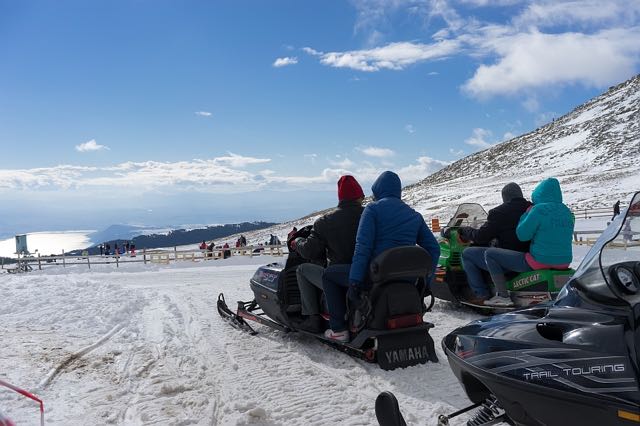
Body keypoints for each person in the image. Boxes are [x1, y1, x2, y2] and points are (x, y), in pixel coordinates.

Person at [322, 171, 440, 342]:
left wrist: (354, 282)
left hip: (376, 276)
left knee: (329, 275)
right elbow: (434, 249)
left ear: (378, 190)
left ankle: (339, 329)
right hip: (407, 279)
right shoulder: (413, 214)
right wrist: (426, 283)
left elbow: (363, 248)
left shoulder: (373, 209)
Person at [483, 177, 574, 307]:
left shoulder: (538, 210)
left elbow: (522, 235)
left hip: (539, 261)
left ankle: (502, 296)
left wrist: (526, 215)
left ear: (539, 194)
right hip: (565, 262)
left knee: (490, 254)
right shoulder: (566, 211)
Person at [291, 175, 365, 333]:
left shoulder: (325, 221)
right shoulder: (369, 216)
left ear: (340, 197)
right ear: (360, 196)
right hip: (367, 272)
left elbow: (309, 250)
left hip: (337, 277)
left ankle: (313, 318)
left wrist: (296, 243)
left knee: (302, 270)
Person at [457, 183, 531, 305]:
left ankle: (481, 294)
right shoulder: (532, 208)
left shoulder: (499, 212)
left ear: (504, 197)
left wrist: (464, 230)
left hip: (508, 262)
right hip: (530, 257)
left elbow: (481, 237)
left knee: (467, 254)